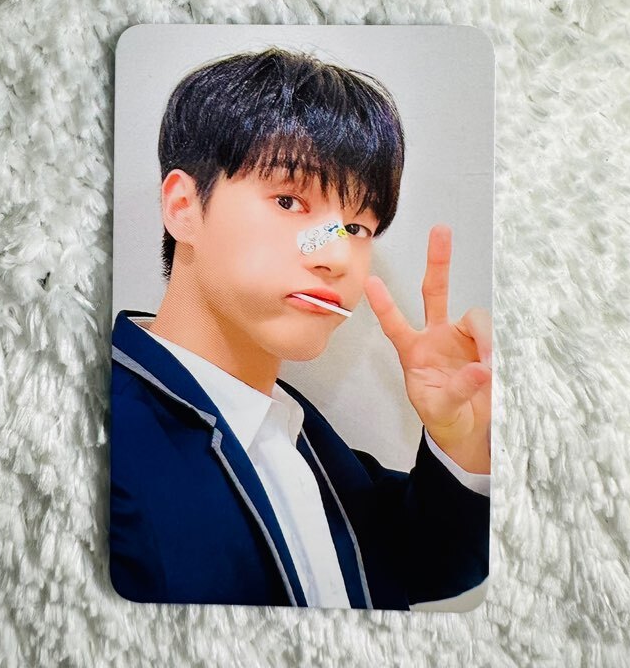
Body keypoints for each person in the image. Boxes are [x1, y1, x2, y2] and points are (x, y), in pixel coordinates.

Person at [109, 48, 492, 609]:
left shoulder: (304, 435)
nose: (335, 256)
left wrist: (461, 442)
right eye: (289, 201)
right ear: (184, 206)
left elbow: (422, 562)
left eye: (356, 227)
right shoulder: (101, 436)